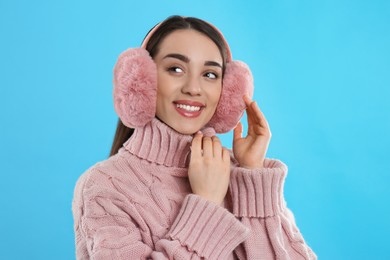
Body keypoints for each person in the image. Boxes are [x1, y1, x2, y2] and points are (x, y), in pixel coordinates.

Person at [72, 15, 317, 259]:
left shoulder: (237, 174)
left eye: (209, 74)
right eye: (175, 69)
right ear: (141, 81)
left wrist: (252, 178)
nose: (193, 88)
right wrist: (207, 204)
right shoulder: (105, 187)